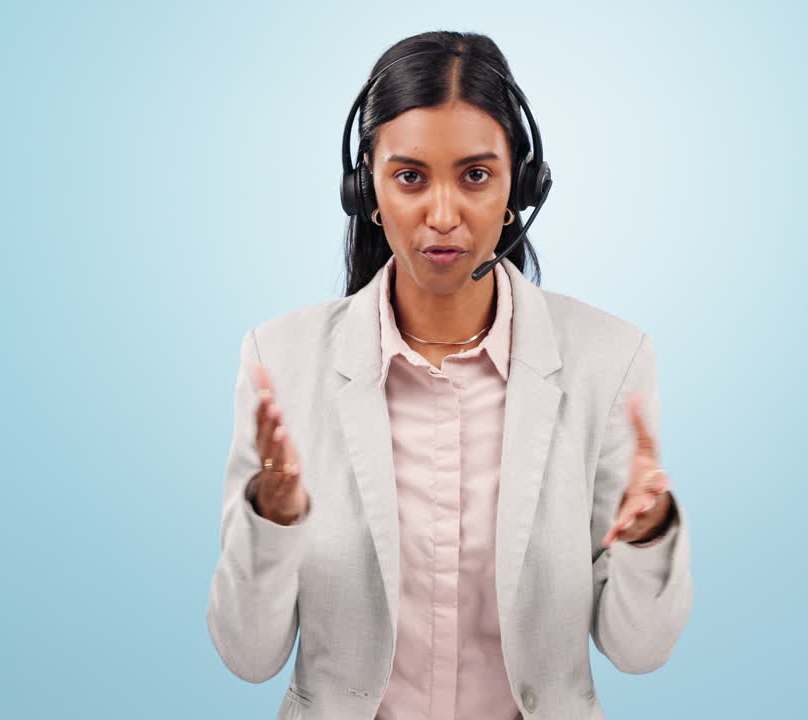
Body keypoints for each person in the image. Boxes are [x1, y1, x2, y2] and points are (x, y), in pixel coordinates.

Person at [207, 30, 694, 720]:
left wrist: (648, 535)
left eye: (475, 175)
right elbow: (247, 656)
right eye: (410, 177)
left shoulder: (608, 361)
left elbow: (639, 652)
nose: (442, 216)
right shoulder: (280, 361)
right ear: (365, 189)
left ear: (520, 187)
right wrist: (271, 521)